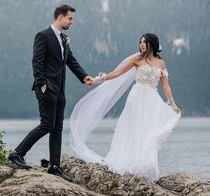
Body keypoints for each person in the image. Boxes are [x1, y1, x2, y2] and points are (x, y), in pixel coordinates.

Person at [70, 33, 181, 182]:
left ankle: (146, 165)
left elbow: (165, 86)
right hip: (136, 98)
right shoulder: (136, 60)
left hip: (152, 99)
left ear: (152, 44)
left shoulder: (161, 63)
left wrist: (173, 105)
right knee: (133, 129)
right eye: (140, 42)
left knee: (148, 131)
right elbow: (117, 73)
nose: (141, 45)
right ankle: (129, 162)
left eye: (144, 42)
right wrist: (98, 79)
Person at [8, 4, 92, 181]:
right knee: (47, 124)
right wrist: (42, 83)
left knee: (57, 128)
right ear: (60, 17)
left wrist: (84, 77)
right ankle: (17, 153)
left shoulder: (65, 39)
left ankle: (54, 166)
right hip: (46, 88)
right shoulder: (43, 35)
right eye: (70, 18)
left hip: (60, 89)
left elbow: (70, 60)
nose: (72, 22)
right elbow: (36, 61)